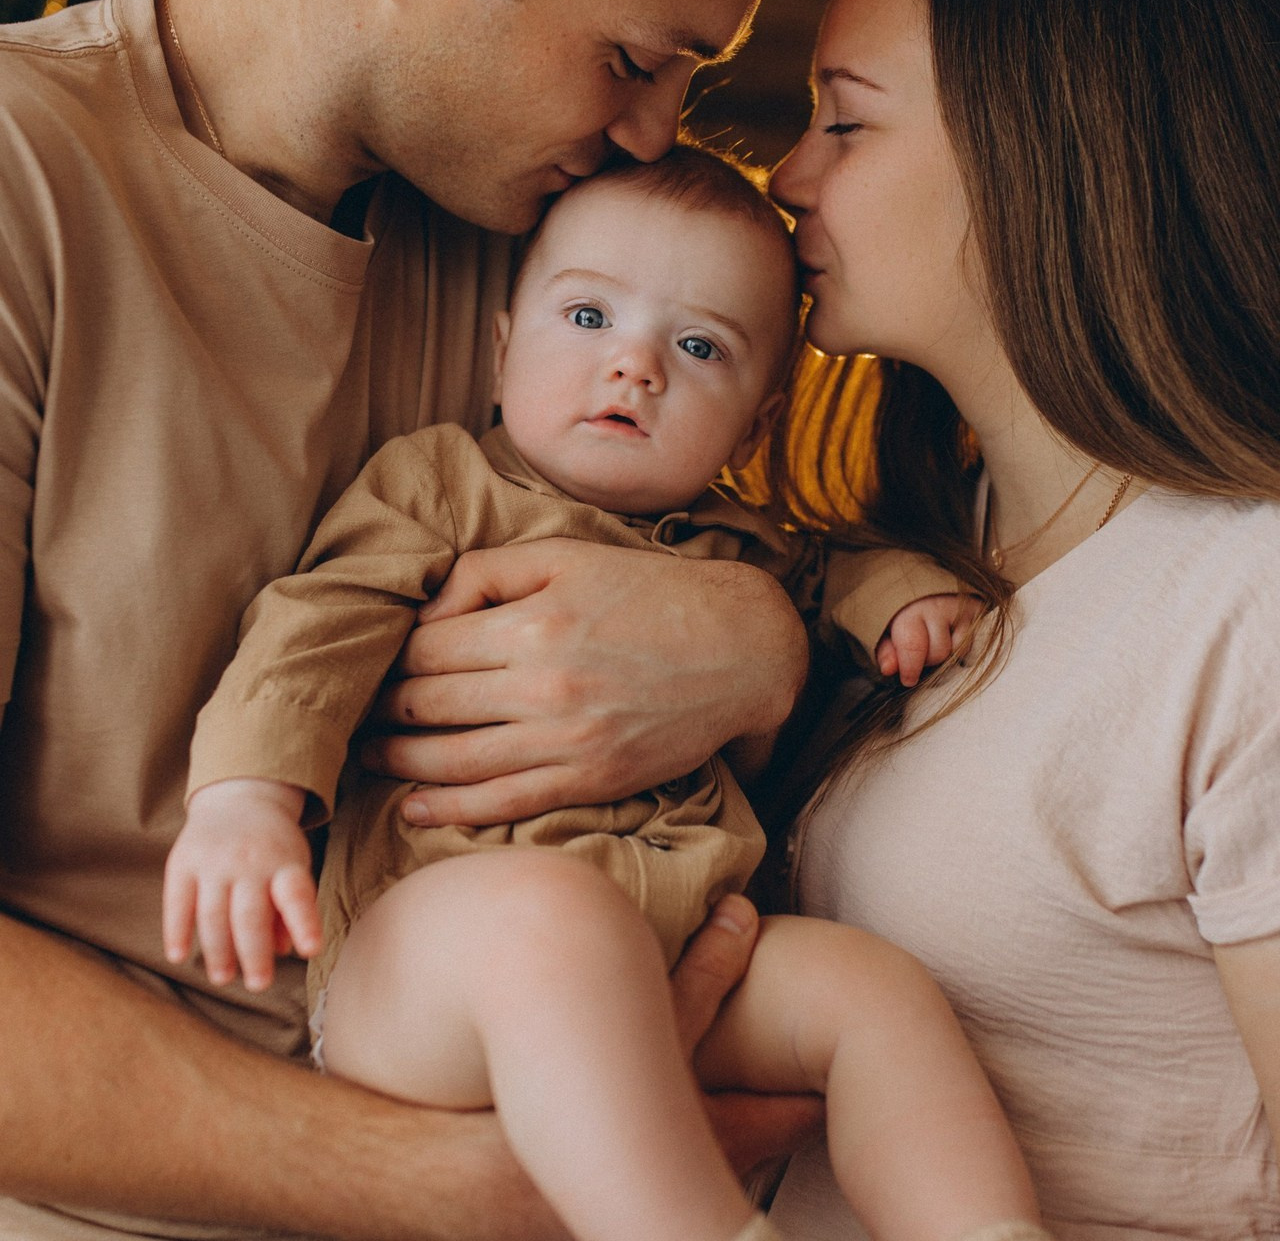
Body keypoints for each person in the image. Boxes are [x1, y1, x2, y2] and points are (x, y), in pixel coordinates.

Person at [0, 0, 835, 1237]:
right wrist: (451, 1185)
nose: (656, 132)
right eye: (629, 58)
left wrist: (758, 634)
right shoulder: (26, 177)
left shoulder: (542, 218)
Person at [163, 145, 1038, 1241]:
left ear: (755, 425)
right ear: (499, 349)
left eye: (697, 344)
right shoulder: (442, 486)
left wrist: (903, 597)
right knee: (549, 922)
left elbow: (836, 577)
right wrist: (244, 798)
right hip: (438, 965)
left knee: (872, 991)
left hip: (677, 950)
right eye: (587, 320)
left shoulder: (748, 552)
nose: (635, 368)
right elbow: (314, 622)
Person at [762, 0, 1280, 1235]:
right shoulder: (932, 540)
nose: (785, 172)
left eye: (844, 118)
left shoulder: (1246, 602)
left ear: (1037, 154)